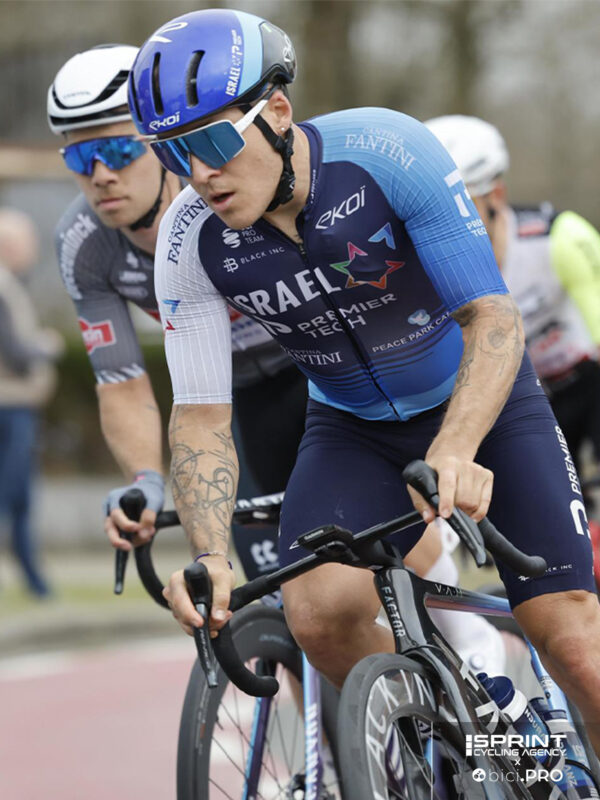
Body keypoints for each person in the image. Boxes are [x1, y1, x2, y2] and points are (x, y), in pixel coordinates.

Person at [131, 8, 600, 752]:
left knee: (572, 643)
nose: (198, 173)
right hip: (352, 429)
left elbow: (492, 317)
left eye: (212, 142)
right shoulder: (189, 241)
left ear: (276, 112)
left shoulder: (387, 152)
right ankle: (455, 749)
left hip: (482, 405)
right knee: (317, 619)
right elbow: (200, 415)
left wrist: (457, 446)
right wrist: (211, 554)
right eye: (172, 153)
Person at [47, 44, 307, 580]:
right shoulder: (84, 243)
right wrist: (146, 478)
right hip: (233, 400)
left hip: (316, 368)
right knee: (269, 581)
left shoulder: (228, 187)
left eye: (118, 151)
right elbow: (120, 381)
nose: (100, 174)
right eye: (79, 158)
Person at [425, 114, 600, 587]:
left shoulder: (557, 238)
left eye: (461, 208)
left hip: (586, 379)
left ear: (495, 195)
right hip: (521, 395)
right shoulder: (431, 269)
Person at [0, 208, 63, 596]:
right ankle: (37, 586)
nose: (33, 251)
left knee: (18, 498)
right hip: (10, 408)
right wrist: (45, 346)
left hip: (16, 408)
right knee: (11, 496)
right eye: (28, 243)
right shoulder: (3, 288)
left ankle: (37, 585)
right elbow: (16, 353)